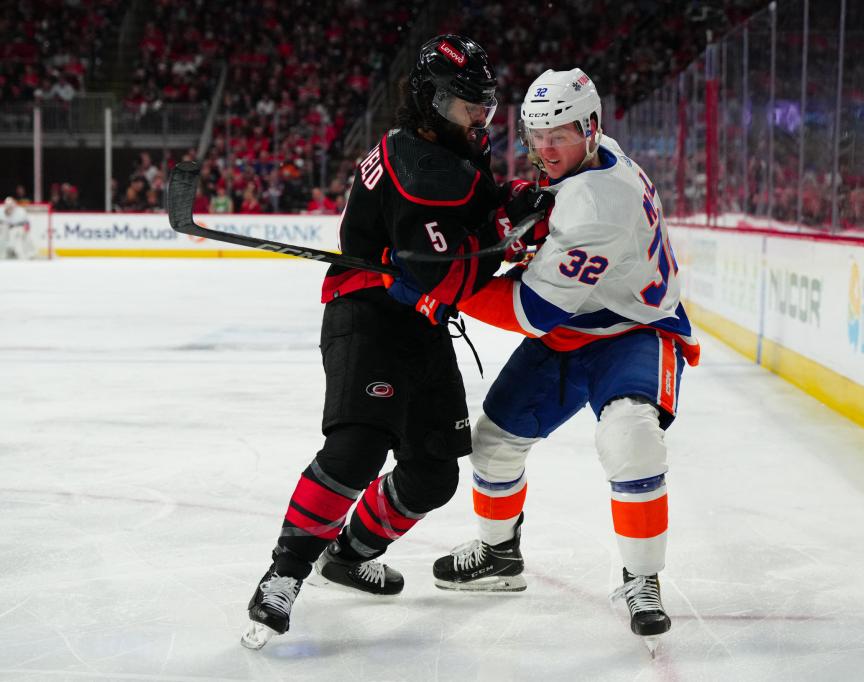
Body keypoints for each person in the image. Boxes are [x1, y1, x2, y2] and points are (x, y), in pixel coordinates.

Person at [241, 34, 553, 650]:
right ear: (435, 101)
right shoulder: (420, 166)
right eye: (470, 105)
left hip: (419, 319)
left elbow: (475, 215)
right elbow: (458, 276)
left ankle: (350, 554)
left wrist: (513, 204)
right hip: (369, 311)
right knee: (358, 448)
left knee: (433, 471)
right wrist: (510, 232)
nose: (482, 117)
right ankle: (284, 574)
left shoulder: (442, 145)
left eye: (485, 104)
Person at [426, 68, 701, 646]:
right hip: (577, 323)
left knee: (631, 437)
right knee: (494, 443)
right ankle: (500, 555)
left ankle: (642, 577)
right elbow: (555, 222)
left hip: (632, 331)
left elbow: (531, 311)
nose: (545, 148)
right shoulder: (599, 156)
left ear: (591, 127)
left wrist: (448, 282)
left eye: (560, 134)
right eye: (536, 134)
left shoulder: (598, 206)